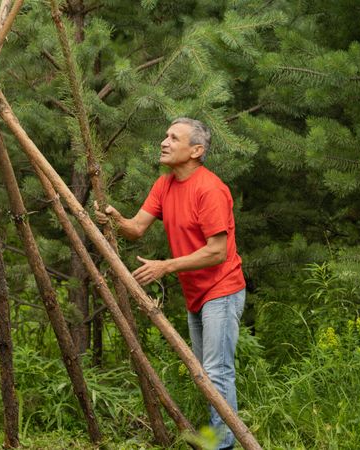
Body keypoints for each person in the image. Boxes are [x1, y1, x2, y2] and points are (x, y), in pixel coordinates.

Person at [96, 118, 245, 449]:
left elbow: (218, 251)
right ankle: (220, 439)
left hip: (222, 289)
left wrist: (166, 266)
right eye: (165, 135)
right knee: (205, 375)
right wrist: (113, 219)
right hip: (196, 293)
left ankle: (222, 446)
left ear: (196, 150)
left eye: (173, 138)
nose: (164, 142)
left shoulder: (210, 189)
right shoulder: (165, 184)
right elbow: (135, 228)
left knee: (216, 371)